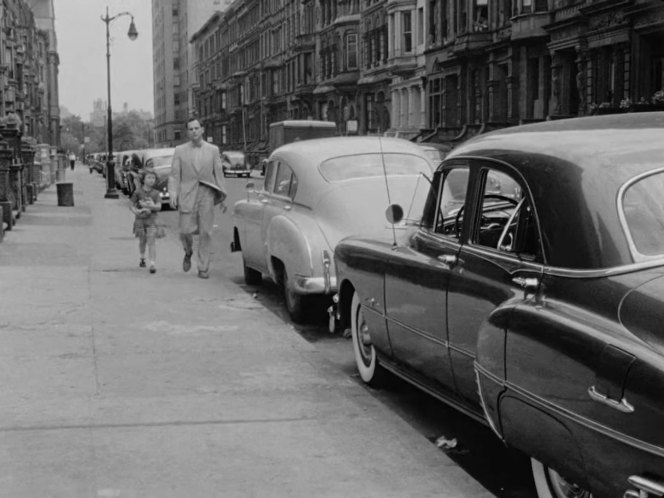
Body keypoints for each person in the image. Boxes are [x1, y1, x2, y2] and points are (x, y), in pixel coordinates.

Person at [168, 117, 227, 279]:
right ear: (187, 132)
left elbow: (218, 173)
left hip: (206, 193)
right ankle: (188, 251)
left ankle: (203, 267)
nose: (194, 131)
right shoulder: (180, 150)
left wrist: (223, 194)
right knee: (185, 231)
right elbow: (174, 175)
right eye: (191, 129)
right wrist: (173, 193)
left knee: (206, 232)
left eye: (196, 128)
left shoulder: (213, 150)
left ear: (202, 129)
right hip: (187, 194)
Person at [130, 169, 162, 274]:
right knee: (142, 240)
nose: (151, 180)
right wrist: (137, 211)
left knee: (151, 241)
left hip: (152, 220)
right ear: (143, 180)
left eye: (153, 178)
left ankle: (152, 264)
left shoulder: (156, 193)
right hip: (140, 220)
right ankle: (142, 257)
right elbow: (131, 205)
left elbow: (159, 207)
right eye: (149, 177)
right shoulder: (137, 192)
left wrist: (151, 206)